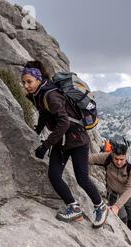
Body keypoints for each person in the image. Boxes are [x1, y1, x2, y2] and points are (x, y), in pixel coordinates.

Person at [21, 60, 107, 228]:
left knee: (82, 178)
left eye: (29, 82)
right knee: (54, 175)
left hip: (77, 140)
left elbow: (64, 123)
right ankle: (74, 207)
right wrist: (37, 130)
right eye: (24, 82)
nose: (26, 85)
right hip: (61, 141)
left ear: (38, 79)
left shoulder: (50, 95)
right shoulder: (39, 94)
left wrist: (45, 145)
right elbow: (45, 114)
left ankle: (100, 206)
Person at [88, 136, 131, 234]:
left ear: (126, 156)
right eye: (116, 159)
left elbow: (130, 188)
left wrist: (117, 206)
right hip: (113, 195)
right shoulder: (107, 158)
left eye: (122, 159)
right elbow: (90, 159)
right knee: (121, 221)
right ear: (112, 154)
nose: (118, 162)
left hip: (129, 196)